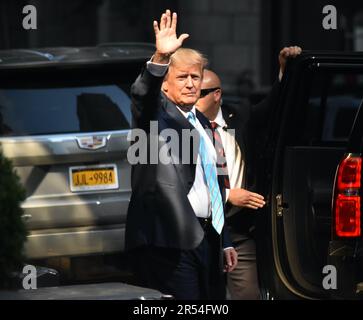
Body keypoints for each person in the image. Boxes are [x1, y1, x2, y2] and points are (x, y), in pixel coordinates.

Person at [125, 9, 237, 300]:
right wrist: (160, 58)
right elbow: (141, 94)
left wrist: (224, 240)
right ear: (165, 83)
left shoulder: (201, 122)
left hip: (207, 238)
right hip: (169, 240)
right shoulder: (155, 117)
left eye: (195, 77)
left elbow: (213, 183)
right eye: (182, 77)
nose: (190, 83)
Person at [195, 47, 302, 299]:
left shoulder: (240, 116)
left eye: (199, 93)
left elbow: (273, 107)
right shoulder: (183, 126)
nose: (190, 96)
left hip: (239, 229)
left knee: (247, 295)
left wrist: (285, 71)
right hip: (200, 229)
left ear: (216, 95)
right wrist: (229, 194)